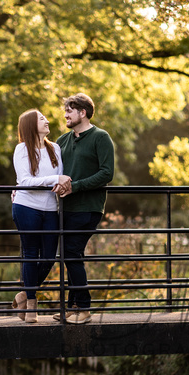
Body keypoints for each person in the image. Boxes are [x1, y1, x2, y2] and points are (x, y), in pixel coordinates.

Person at [52, 93, 114, 324]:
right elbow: (48, 172)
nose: (65, 115)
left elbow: (107, 173)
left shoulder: (101, 137)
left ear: (83, 113)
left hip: (88, 207)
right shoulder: (61, 141)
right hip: (64, 208)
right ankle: (73, 307)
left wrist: (75, 187)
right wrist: (21, 188)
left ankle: (84, 308)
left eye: (69, 110)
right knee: (71, 254)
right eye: (65, 110)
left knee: (70, 252)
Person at [11, 109, 65, 323]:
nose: (47, 120)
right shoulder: (21, 149)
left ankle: (22, 294)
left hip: (51, 208)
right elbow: (24, 181)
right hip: (27, 207)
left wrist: (59, 182)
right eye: (42, 118)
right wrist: (55, 179)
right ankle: (31, 306)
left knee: (50, 256)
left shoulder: (56, 148)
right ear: (31, 125)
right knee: (31, 253)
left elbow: (58, 178)